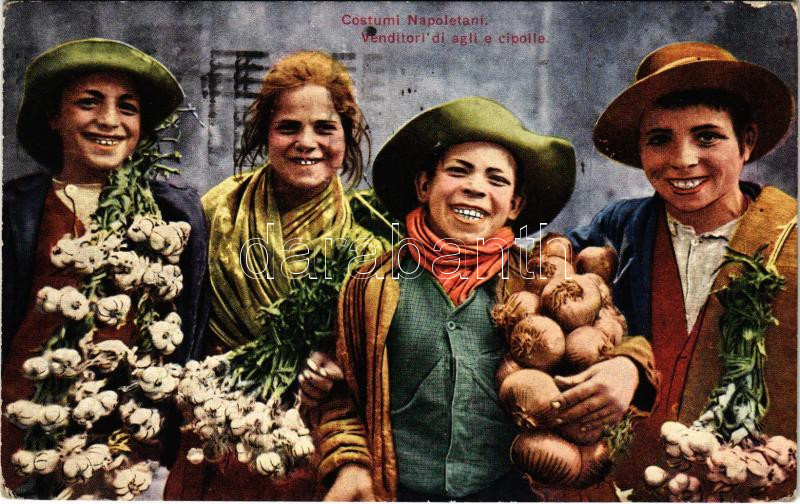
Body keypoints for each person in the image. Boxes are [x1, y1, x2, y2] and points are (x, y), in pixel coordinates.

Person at [316, 97, 659, 501]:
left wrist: (629, 364)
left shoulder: (539, 283)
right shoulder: (370, 286)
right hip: (396, 492)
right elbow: (340, 396)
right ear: (424, 186)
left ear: (515, 205)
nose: (475, 188)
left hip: (505, 492)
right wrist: (350, 462)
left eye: (496, 180)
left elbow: (614, 336)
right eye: (458, 172)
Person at [567, 41, 796, 497]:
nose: (682, 159)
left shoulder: (789, 240)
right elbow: (552, 256)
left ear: (746, 141)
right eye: (660, 139)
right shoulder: (625, 223)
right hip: (638, 480)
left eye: (707, 137)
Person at [163, 50, 387, 501]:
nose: (307, 142)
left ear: (347, 137)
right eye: (289, 127)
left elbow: (376, 358)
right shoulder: (218, 209)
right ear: (265, 134)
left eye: (325, 128)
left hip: (314, 438)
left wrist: (340, 367)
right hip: (216, 422)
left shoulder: (370, 238)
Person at [2, 38, 208, 491]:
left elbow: (189, 329)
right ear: (55, 117)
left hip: (121, 455)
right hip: (17, 444)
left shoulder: (175, 216)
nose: (109, 120)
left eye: (127, 107)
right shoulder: (15, 210)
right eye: (88, 103)